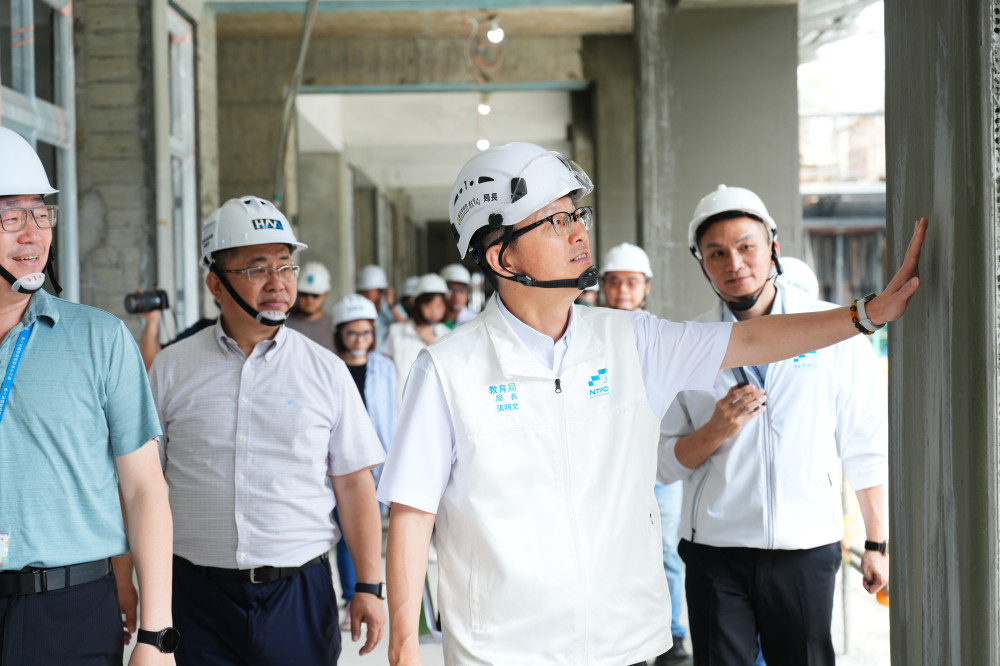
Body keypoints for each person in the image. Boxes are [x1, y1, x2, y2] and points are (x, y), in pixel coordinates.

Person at [375, 142, 925, 666]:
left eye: (577, 216)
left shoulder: (633, 341)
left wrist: (866, 314)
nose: (578, 233)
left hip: (622, 640)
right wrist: (403, 648)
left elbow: (754, 339)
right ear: (501, 254)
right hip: (504, 647)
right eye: (556, 221)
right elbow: (413, 510)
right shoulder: (448, 369)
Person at [148, 196, 387, 665]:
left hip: (299, 593)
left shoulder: (325, 370)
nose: (278, 283)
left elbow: (355, 482)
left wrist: (369, 585)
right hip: (195, 594)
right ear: (216, 283)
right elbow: (143, 485)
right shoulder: (172, 367)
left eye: (286, 266)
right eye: (258, 269)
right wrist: (130, 582)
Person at [659, 185, 891, 666]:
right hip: (716, 553)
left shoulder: (834, 332)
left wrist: (876, 542)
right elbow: (661, 464)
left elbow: (865, 443)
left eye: (746, 246)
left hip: (805, 548)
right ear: (702, 264)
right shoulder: (689, 346)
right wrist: (715, 430)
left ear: (773, 249)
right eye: (716, 252)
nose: (734, 262)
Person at [0, 126, 177, 663]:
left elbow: (145, 490)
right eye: (10, 216)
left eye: (40, 213)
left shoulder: (99, 339)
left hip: (68, 612)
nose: (32, 234)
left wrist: (157, 635)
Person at [600, 241, 691, 666]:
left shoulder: (661, 336)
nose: (622, 291)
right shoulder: (588, 334)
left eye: (631, 282)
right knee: (612, 550)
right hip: (608, 469)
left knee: (665, 550)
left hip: (655, 464)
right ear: (602, 286)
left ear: (646, 287)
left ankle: (672, 634)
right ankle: (622, 635)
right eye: (614, 282)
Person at [328, 293, 398, 629]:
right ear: (339, 333)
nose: (359, 340)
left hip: (379, 459)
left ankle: (371, 592)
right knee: (346, 531)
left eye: (366, 333)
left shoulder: (385, 367)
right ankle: (349, 597)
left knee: (372, 531)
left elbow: (391, 415)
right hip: (341, 463)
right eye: (352, 333)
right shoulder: (328, 366)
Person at [382, 273, 450, 406]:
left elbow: (452, 369)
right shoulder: (396, 331)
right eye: (429, 306)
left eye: (439, 305)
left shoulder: (448, 334)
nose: (435, 311)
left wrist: (432, 342)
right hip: (400, 406)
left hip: (435, 406)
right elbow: (384, 370)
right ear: (418, 304)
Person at [286, 261, 335, 347]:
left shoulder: (334, 326)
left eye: (315, 295)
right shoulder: (283, 325)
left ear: (325, 294)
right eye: (304, 294)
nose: (309, 300)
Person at [357, 264, 403, 348]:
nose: (365, 296)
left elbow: (406, 326)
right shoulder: (356, 310)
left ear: (380, 291)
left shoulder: (391, 309)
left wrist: (391, 306)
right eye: (362, 292)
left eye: (368, 292)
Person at [439, 263, 477, 328]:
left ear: (467, 294)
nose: (456, 296)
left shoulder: (475, 322)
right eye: (451, 289)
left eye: (461, 290)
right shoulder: (431, 320)